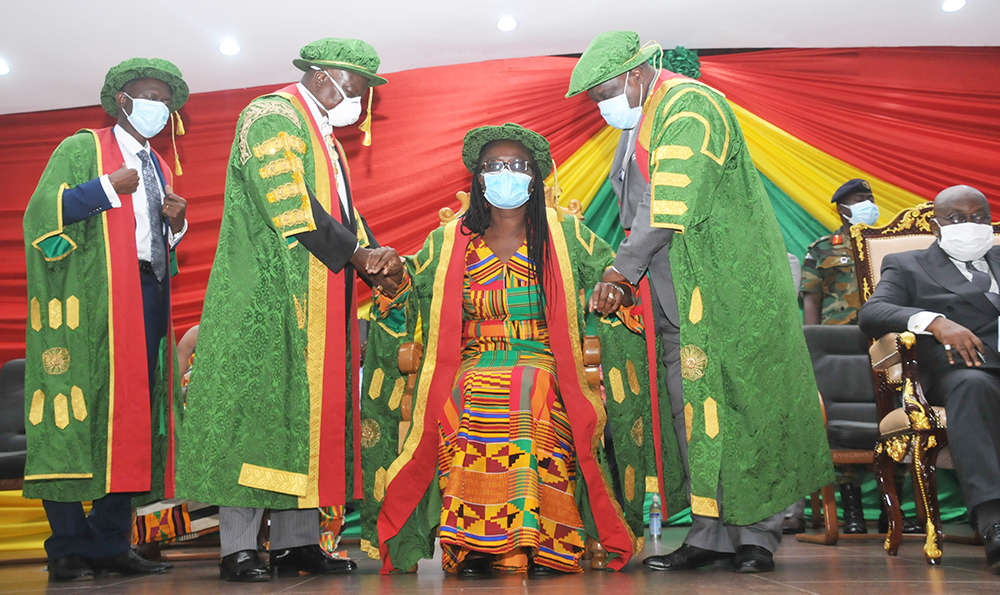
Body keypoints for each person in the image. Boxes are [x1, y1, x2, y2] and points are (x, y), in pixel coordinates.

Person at [359, 123, 681, 576]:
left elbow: (617, 280)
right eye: (494, 167)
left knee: (528, 390)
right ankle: (473, 546)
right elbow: (410, 289)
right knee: (468, 393)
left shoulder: (567, 236)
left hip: (542, 356)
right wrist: (391, 275)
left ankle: (546, 543)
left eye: (516, 166)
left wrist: (617, 294)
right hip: (472, 358)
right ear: (478, 177)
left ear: (535, 176)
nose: (504, 174)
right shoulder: (449, 240)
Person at [567, 31, 833, 573]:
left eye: (603, 92)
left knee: (744, 408)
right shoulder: (640, 123)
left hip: (725, 295)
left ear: (636, 74)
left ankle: (758, 535)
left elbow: (670, 202)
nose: (601, 106)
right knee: (692, 414)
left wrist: (621, 270)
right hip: (675, 301)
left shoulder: (690, 103)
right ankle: (709, 534)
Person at [175, 38, 397, 582]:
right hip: (269, 296)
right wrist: (359, 254)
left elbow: (341, 213)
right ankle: (239, 548)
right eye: (358, 91)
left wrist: (380, 258)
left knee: (306, 420)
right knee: (259, 416)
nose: (360, 104)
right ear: (325, 77)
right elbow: (290, 201)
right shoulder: (271, 113)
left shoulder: (325, 135)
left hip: (320, 296)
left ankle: (298, 545)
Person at [22, 57, 188, 581]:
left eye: (166, 101)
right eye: (150, 96)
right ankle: (69, 546)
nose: (159, 108)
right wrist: (106, 188)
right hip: (92, 303)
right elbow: (41, 213)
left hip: (148, 294)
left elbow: (150, 242)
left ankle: (111, 543)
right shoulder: (83, 147)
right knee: (75, 414)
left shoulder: (158, 165)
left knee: (135, 416)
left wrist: (176, 228)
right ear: (122, 99)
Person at [858, 185, 1000, 573]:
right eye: (956, 218)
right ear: (936, 226)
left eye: (979, 217)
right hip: (960, 371)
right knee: (974, 389)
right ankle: (994, 522)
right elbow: (873, 313)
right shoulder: (908, 264)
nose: (969, 225)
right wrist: (934, 322)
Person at [797, 179, 880, 534]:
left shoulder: (888, 244)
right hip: (838, 346)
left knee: (891, 416)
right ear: (842, 208)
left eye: (870, 198)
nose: (868, 204)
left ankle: (897, 512)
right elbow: (811, 301)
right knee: (840, 426)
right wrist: (811, 347)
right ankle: (852, 510)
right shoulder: (821, 250)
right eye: (860, 200)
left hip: (884, 343)